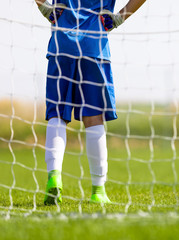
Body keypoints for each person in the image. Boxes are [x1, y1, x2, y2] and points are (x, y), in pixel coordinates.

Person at [35, 0, 146, 205]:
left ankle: (54, 176)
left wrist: (44, 7)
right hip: (94, 44)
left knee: (57, 114)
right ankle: (98, 191)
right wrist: (120, 18)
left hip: (62, 43)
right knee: (94, 118)